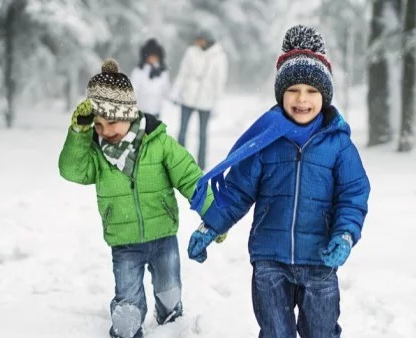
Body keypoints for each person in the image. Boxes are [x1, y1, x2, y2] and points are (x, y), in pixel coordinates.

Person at [186, 25, 371, 338]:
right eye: (293, 90)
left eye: (312, 91)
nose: (302, 99)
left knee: (322, 332)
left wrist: (345, 235)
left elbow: (353, 195)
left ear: (324, 97)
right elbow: (237, 191)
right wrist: (211, 225)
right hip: (270, 259)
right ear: (281, 93)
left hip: (320, 260)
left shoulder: (338, 144)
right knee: (274, 332)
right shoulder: (267, 140)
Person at [58, 58, 216, 338]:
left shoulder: (159, 143)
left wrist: (216, 215)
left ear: (129, 113)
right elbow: (72, 170)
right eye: (97, 125)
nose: (106, 131)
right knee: (127, 305)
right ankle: (127, 328)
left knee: (169, 291)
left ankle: (171, 325)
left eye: (112, 121)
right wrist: (79, 134)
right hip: (124, 242)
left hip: (163, 236)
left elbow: (190, 178)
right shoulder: (95, 153)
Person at [171, 27, 228, 170]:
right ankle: (179, 161)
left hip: (206, 99)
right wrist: (176, 91)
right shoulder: (191, 52)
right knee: (182, 130)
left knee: (202, 134)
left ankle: (201, 165)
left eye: (200, 39)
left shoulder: (219, 56)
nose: (197, 42)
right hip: (188, 96)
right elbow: (183, 72)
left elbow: (220, 81)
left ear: (207, 40)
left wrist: (217, 103)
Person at [130, 38, 171, 119]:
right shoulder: (139, 71)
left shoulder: (163, 72)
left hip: (156, 109)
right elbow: (133, 88)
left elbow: (166, 89)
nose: (152, 59)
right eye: (150, 56)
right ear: (146, 56)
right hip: (141, 109)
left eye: (155, 56)